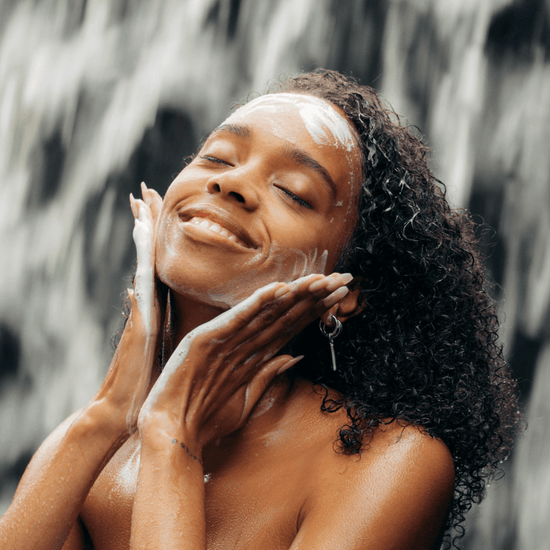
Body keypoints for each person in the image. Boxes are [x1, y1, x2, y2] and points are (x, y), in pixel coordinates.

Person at [0, 69, 519, 550]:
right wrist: (107, 415)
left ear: (343, 289)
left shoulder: (392, 461)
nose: (229, 184)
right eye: (217, 159)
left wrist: (173, 440)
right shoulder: (99, 442)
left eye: (293, 192)